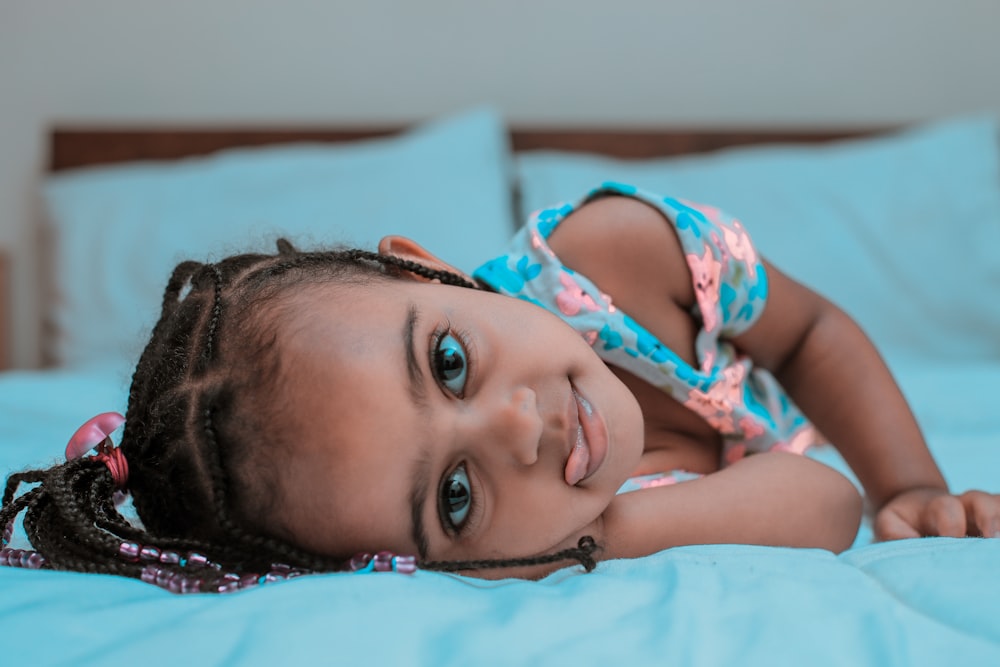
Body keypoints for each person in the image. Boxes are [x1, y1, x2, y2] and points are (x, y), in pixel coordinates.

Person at [3, 182, 998, 592]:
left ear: (427, 268)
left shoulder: (623, 255)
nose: (519, 430)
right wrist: (597, 534)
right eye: (453, 493)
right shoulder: (568, 521)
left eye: (448, 363)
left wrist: (910, 480)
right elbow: (823, 500)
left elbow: (811, 331)